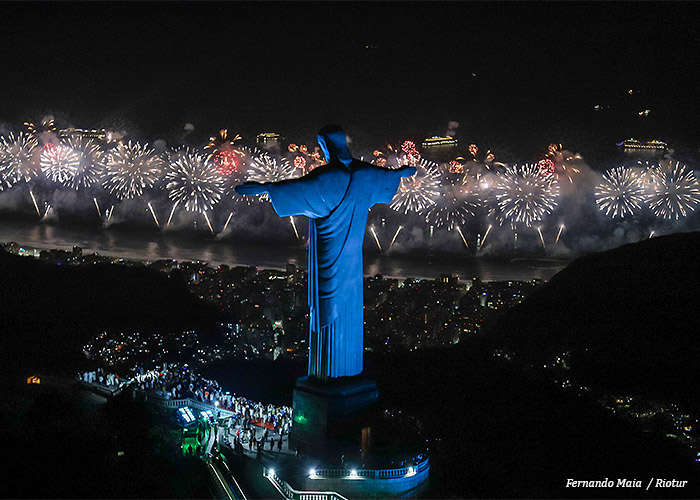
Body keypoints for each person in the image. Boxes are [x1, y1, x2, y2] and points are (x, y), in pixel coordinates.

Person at [237, 125, 415, 380]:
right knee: (349, 313)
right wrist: (401, 173)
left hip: (328, 259)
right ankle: (349, 374)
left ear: (324, 146)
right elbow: (387, 179)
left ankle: (328, 379)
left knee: (327, 312)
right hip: (353, 266)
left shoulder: (329, 179)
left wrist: (266, 187)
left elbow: (297, 188)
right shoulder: (365, 174)